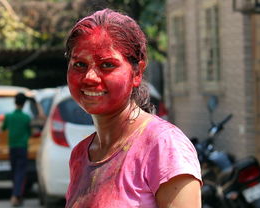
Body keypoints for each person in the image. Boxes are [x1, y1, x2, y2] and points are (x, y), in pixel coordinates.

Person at [64, 8, 202, 208]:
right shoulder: (80, 155)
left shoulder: (164, 146)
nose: (90, 77)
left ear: (137, 73)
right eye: (79, 64)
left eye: (107, 65)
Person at [2, 92, 31, 207]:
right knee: (20, 173)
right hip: (22, 148)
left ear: (15, 102)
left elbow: (3, 128)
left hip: (12, 148)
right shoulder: (26, 117)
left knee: (14, 172)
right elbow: (29, 133)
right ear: (24, 104)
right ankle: (16, 196)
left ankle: (17, 196)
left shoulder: (8, 116)